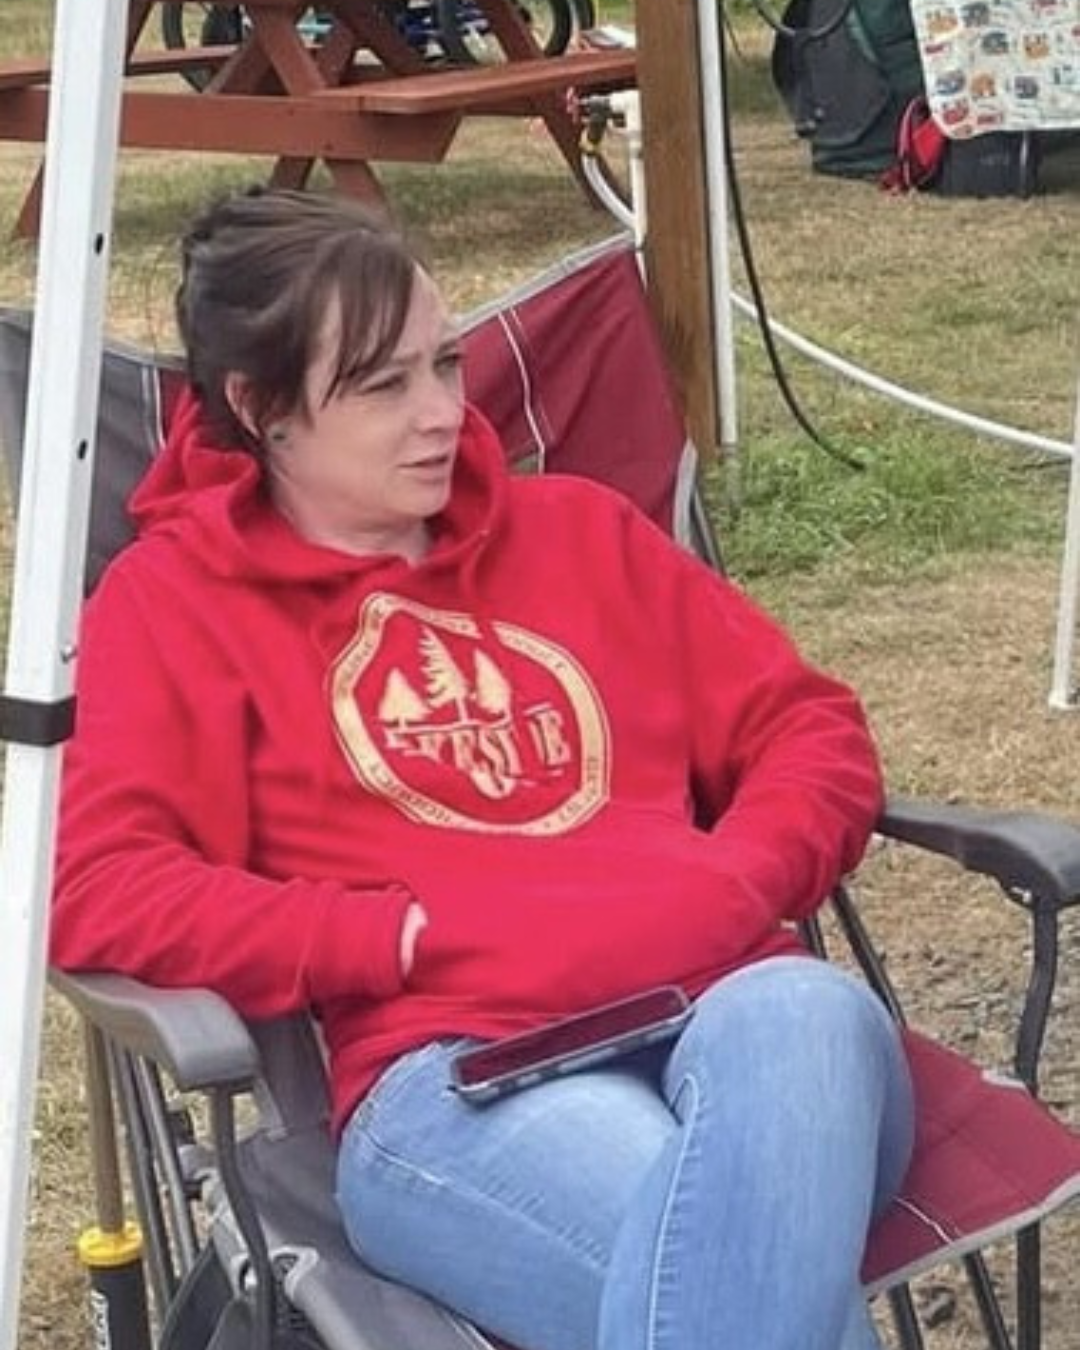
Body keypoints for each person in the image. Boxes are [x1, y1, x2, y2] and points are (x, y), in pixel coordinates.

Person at [52, 188, 913, 1350]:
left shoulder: (581, 532)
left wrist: (746, 873)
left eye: (447, 364)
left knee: (806, 1012)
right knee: (735, 1277)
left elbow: (808, 726)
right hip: (464, 1078)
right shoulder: (176, 605)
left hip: (743, 1008)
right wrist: (382, 936)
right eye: (382, 385)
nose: (442, 415)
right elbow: (99, 882)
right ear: (259, 409)